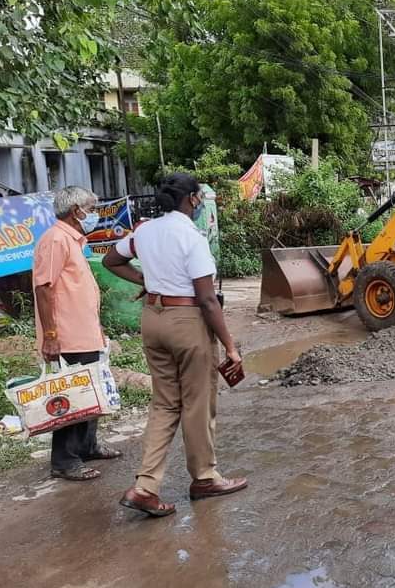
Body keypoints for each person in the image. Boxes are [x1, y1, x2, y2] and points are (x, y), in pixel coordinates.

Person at [103, 173, 245, 517]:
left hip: (153, 320)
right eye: (199, 198)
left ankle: (145, 486)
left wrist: (147, 281)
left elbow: (111, 260)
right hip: (186, 322)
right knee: (197, 403)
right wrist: (230, 346)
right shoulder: (190, 237)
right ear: (193, 200)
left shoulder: (145, 231)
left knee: (165, 404)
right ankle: (205, 477)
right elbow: (208, 301)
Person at [33, 186, 122, 480]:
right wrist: (51, 335)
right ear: (76, 211)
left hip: (84, 332)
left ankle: (87, 446)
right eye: (91, 208)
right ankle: (64, 460)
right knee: (71, 397)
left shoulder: (73, 240)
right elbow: (43, 288)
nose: (94, 213)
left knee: (90, 393)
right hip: (67, 335)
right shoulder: (56, 239)